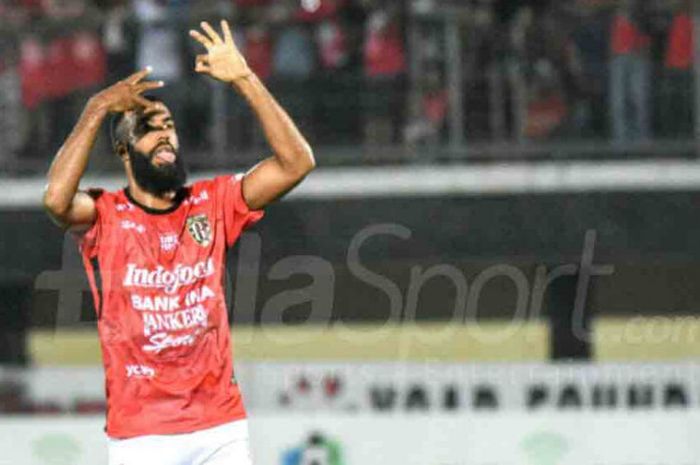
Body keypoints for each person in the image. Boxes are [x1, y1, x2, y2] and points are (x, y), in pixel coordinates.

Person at [42, 19, 315, 465]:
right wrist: (96, 108)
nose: (166, 134)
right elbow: (55, 201)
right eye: (150, 127)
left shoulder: (212, 202)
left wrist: (245, 78)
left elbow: (297, 162)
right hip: (140, 435)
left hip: (219, 426)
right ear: (125, 151)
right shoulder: (106, 215)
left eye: (169, 125)